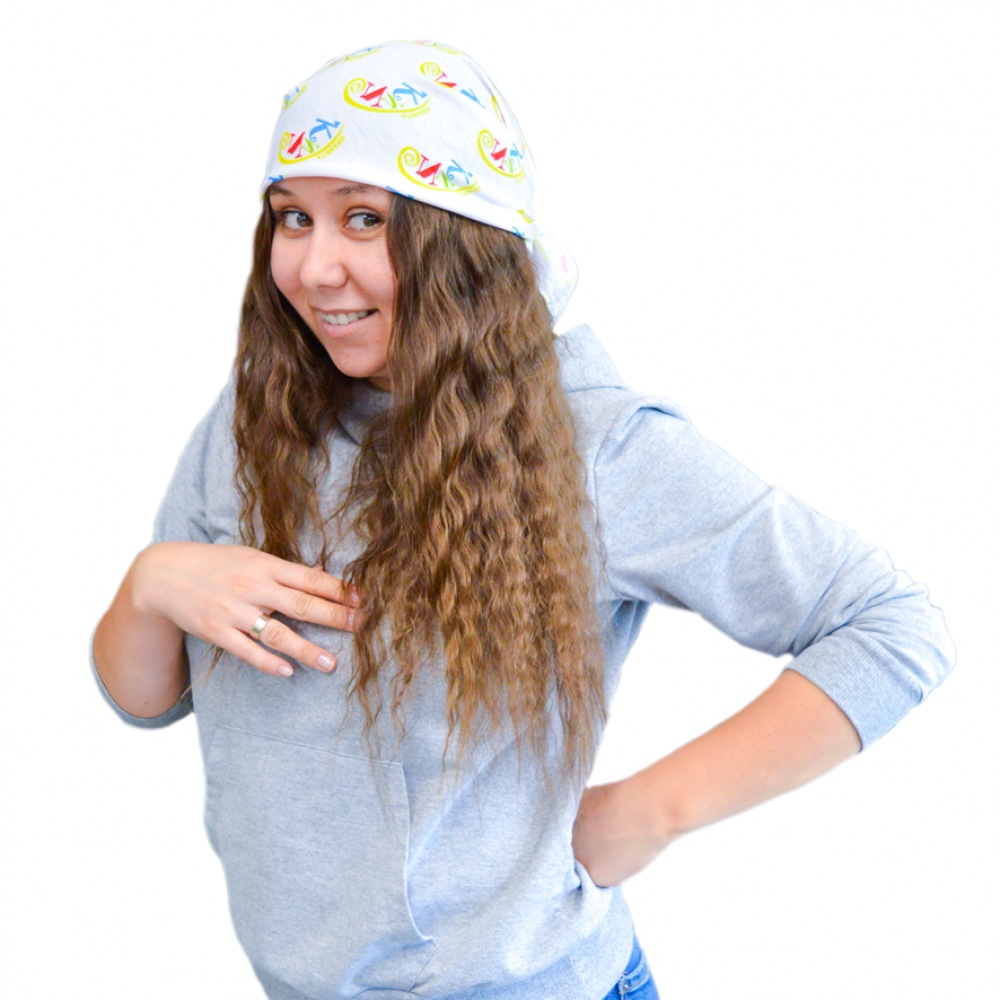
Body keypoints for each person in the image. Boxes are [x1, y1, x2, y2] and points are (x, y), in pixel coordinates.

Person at [91, 40, 955, 1000]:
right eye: (292, 216)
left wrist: (645, 814)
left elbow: (890, 626)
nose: (315, 266)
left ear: (460, 238)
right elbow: (145, 701)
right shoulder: (257, 417)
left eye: (364, 218)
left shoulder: (593, 445)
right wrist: (152, 586)